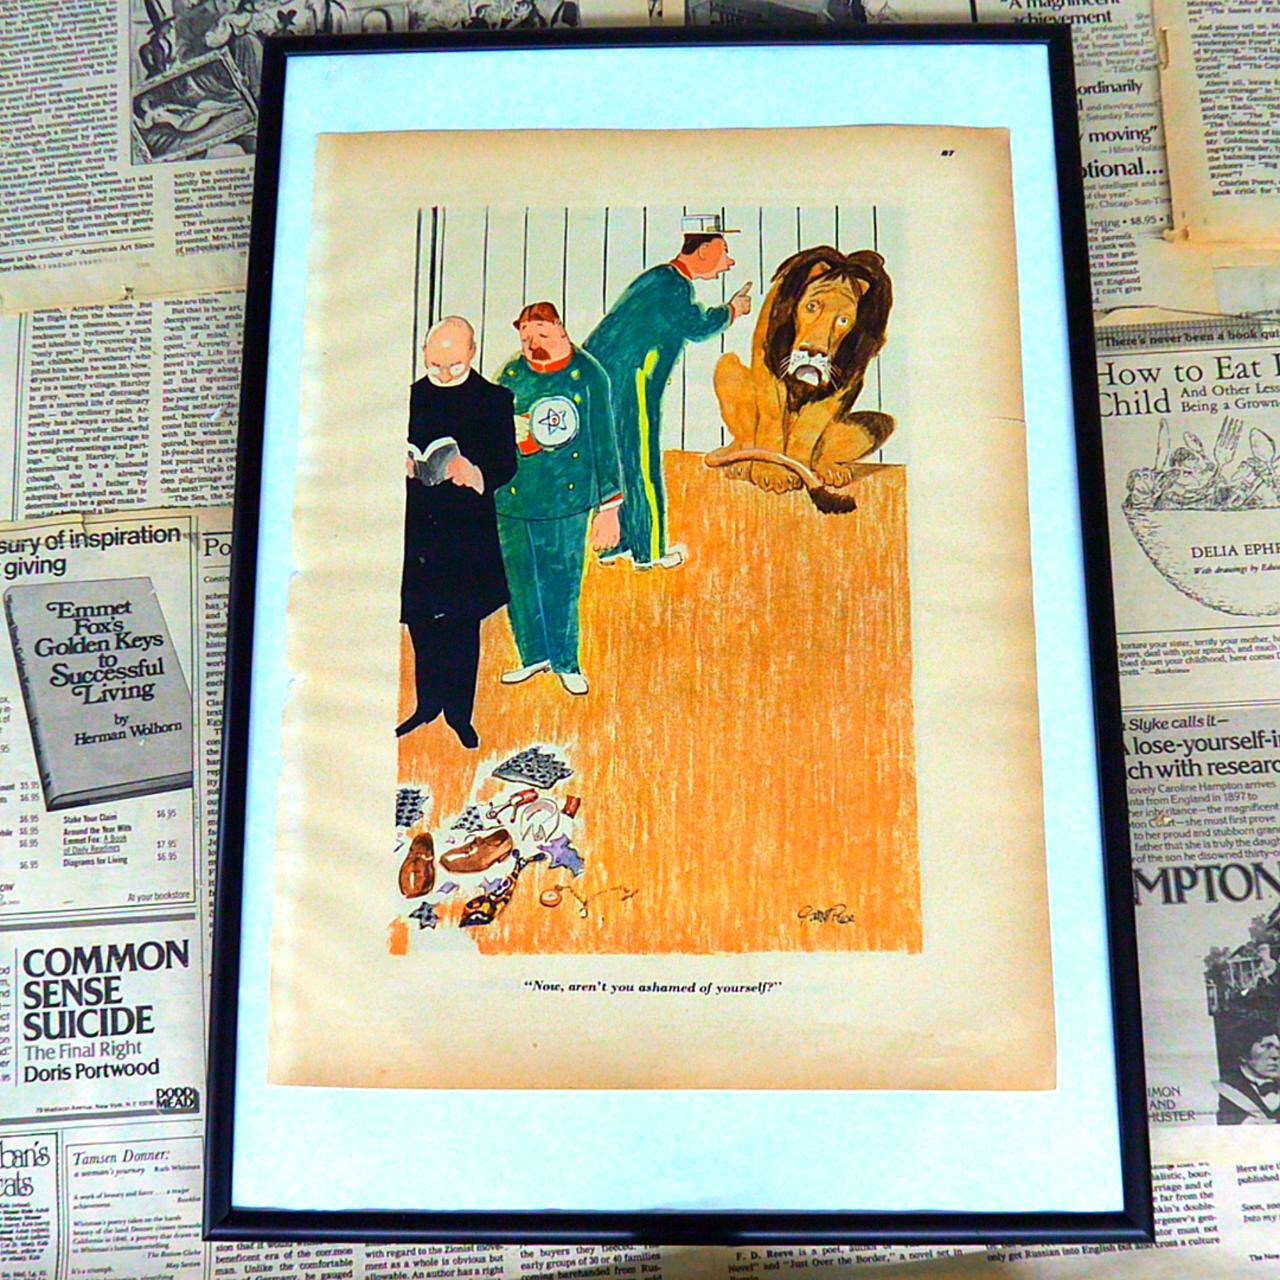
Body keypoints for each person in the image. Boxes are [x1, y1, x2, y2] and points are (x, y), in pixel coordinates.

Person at [584, 213, 751, 570]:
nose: (729, 262)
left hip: (609, 382)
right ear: (703, 250)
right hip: (633, 384)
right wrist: (733, 310)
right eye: (723, 251)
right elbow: (696, 326)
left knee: (623, 461)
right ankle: (649, 551)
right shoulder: (673, 284)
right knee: (641, 462)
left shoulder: (658, 279)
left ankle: (621, 544)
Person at [399, 316, 517, 749]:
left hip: (466, 530)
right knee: (421, 620)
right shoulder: (410, 397)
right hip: (419, 529)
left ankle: (459, 715)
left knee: (462, 625)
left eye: (454, 366)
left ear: (472, 353)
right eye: (435, 366)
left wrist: (477, 472)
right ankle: (427, 705)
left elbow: (506, 463)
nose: (445, 375)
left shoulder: (494, 400)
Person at [494, 302, 622, 696]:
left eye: (542, 335)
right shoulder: (511, 374)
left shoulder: (589, 375)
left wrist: (610, 508)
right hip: (512, 498)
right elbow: (487, 427)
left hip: (567, 500)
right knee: (519, 580)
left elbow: (604, 440)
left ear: (561, 329)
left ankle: (566, 662)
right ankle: (533, 656)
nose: (533, 344)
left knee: (562, 580)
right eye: (526, 337)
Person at [1215, 1020, 1280, 1124]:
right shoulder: (1223, 1092)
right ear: (1243, 1054)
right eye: (1267, 1047)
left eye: (1278, 1048)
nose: (1276, 1055)